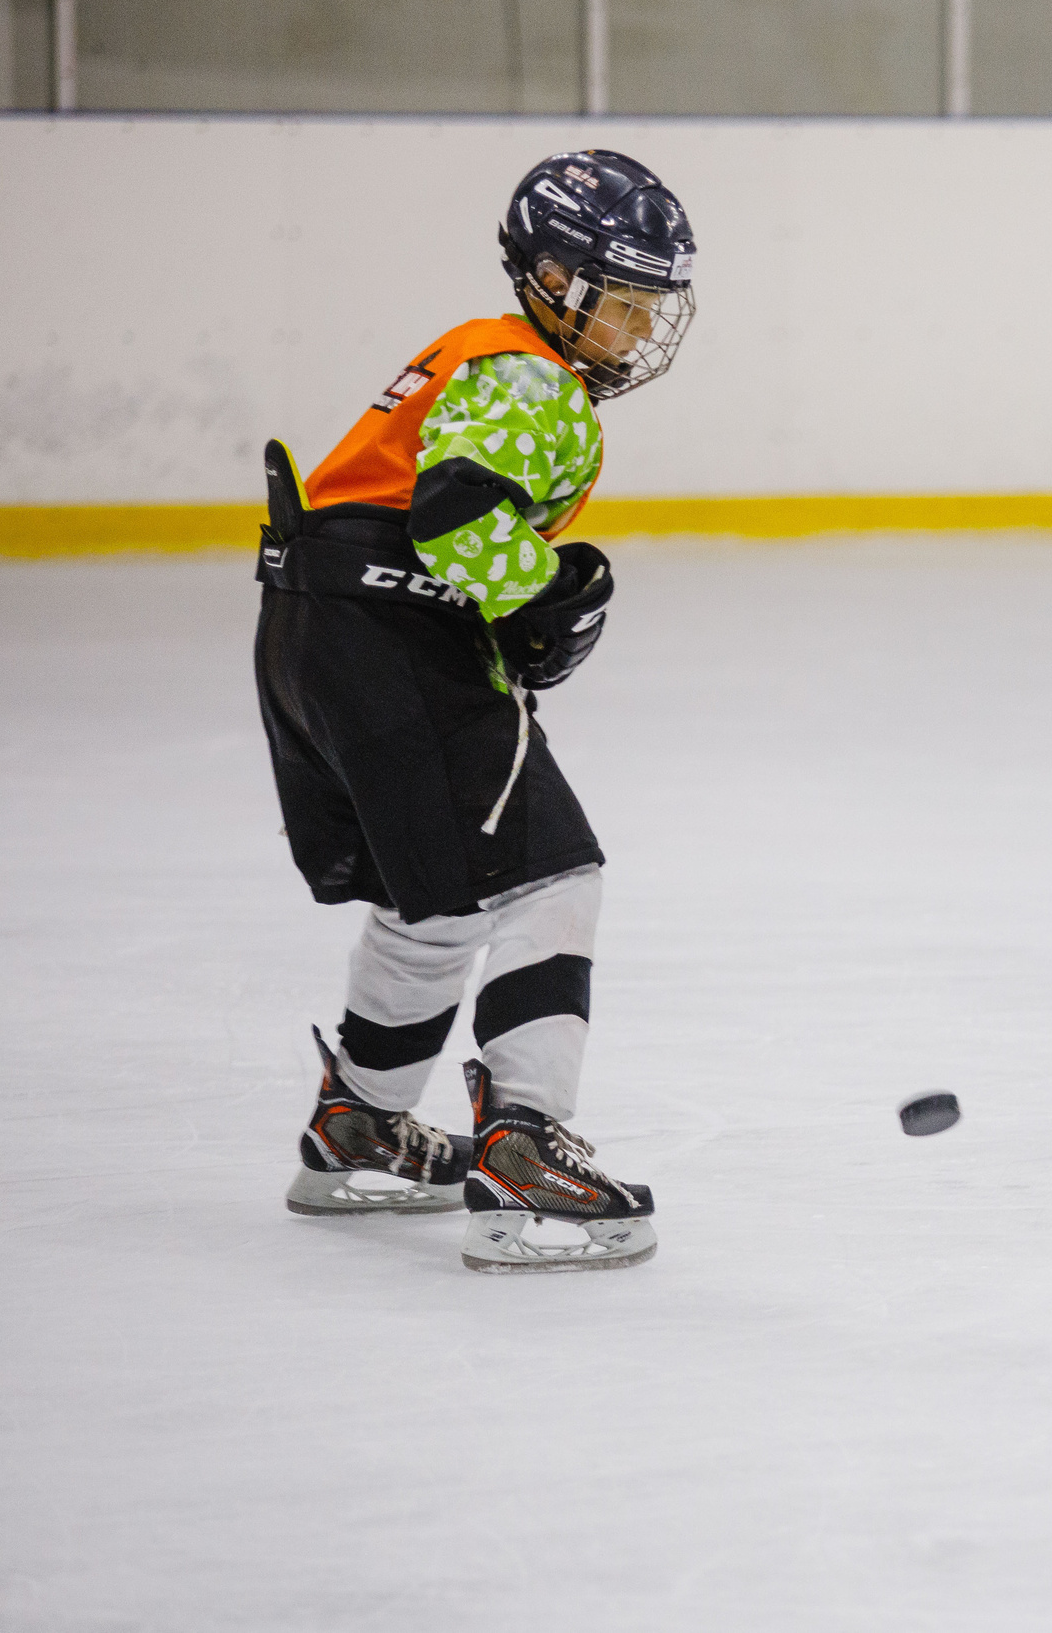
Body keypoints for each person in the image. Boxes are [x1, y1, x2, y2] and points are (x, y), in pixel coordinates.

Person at [255, 149, 697, 1271]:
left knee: (438, 900)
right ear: (551, 279)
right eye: (623, 297)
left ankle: (357, 1126)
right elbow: (456, 514)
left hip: (312, 626)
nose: (642, 324)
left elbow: (416, 506)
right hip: (394, 639)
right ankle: (524, 1153)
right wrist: (543, 596)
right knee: (554, 875)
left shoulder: (475, 351)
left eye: (653, 302)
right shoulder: (532, 378)